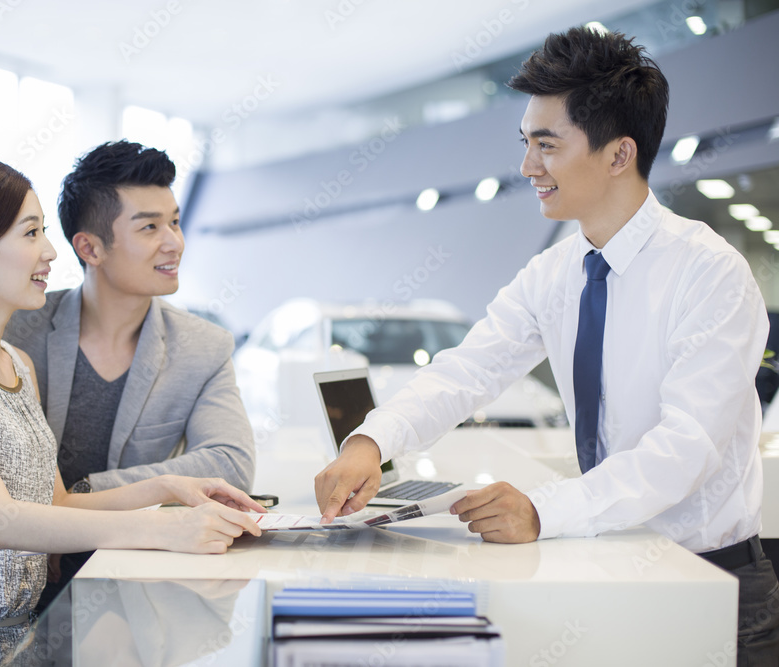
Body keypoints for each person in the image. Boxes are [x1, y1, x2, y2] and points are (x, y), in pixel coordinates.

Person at [313, 27, 779, 663]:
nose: (528, 166)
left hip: (711, 581)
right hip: (605, 560)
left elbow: (687, 447)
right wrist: (373, 440)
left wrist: (543, 508)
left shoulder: (709, 273)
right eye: (526, 143)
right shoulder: (555, 272)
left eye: (547, 145)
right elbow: (468, 369)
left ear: (619, 155)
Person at [0, 158, 263, 665]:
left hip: (21, 639)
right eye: (31, 234)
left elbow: (56, 503)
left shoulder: (19, 362)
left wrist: (166, 491)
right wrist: (163, 528)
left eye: (175, 221)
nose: (50, 252)